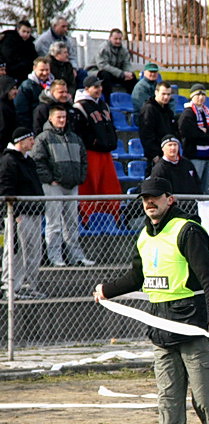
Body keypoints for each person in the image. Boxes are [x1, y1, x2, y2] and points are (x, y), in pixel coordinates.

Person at [93, 176, 209, 424]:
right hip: (162, 332)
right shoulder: (144, 236)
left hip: (194, 330)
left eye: (155, 197)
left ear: (169, 198)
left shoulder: (187, 231)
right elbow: (138, 277)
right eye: (145, 198)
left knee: (207, 404)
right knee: (168, 406)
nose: (149, 203)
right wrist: (107, 289)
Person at [32, 105, 91, 267]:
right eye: (59, 117)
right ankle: (55, 256)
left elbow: (84, 159)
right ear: (50, 118)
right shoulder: (43, 138)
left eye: (64, 117)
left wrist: (80, 177)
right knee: (54, 223)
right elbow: (38, 161)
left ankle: (76, 256)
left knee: (72, 223)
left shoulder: (74, 137)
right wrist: (50, 179)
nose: (62, 120)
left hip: (72, 185)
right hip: (53, 186)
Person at [0, 128, 45, 300]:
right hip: (19, 214)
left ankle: (28, 285)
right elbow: (5, 188)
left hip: (34, 212)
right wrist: (13, 213)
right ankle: (10, 287)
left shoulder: (28, 161)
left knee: (34, 251)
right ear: (21, 140)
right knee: (16, 252)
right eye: (30, 139)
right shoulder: (9, 161)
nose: (33, 142)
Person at [71, 75, 120, 217]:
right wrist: (93, 142)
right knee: (91, 185)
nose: (99, 89)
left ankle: (112, 217)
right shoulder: (80, 106)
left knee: (109, 185)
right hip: (90, 152)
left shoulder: (103, 104)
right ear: (86, 89)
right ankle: (88, 217)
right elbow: (80, 132)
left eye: (100, 86)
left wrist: (112, 141)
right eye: (95, 87)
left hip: (106, 152)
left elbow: (111, 126)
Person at [178, 84, 209, 196]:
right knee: (194, 186)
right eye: (198, 94)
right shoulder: (188, 113)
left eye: (203, 94)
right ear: (192, 96)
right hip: (194, 156)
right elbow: (189, 133)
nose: (201, 97)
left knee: (208, 189)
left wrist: (206, 130)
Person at [149, 136, 201, 213]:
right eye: (169, 145)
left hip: (191, 207)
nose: (173, 148)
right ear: (163, 148)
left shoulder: (187, 164)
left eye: (175, 145)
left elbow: (197, 183)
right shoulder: (159, 168)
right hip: (171, 209)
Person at [89, 28, 136, 101]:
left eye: (120, 39)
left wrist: (128, 73)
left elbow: (127, 63)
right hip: (97, 71)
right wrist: (121, 73)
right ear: (110, 38)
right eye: (115, 39)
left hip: (116, 73)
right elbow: (103, 66)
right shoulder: (103, 48)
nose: (118, 41)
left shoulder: (123, 50)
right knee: (105, 75)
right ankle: (108, 102)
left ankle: (132, 101)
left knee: (132, 77)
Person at [139, 82, 177, 163]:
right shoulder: (149, 109)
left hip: (168, 154)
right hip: (155, 157)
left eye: (168, 94)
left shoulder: (168, 111)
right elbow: (146, 134)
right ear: (156, 92)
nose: (166, 97)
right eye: (163, 94)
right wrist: (154, 155)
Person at [14, 57, 53, 128]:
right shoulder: (26, 86)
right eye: (41, 70)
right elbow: (21, 111)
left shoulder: (53, 84)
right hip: (35, 125)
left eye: (47, 70)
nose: (45, 73)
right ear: (34, 68)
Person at [0, 76, 18, 148]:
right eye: (13, 89)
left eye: (16, 88)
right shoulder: (2, 107)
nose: (16, 91)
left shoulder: (9, 103)